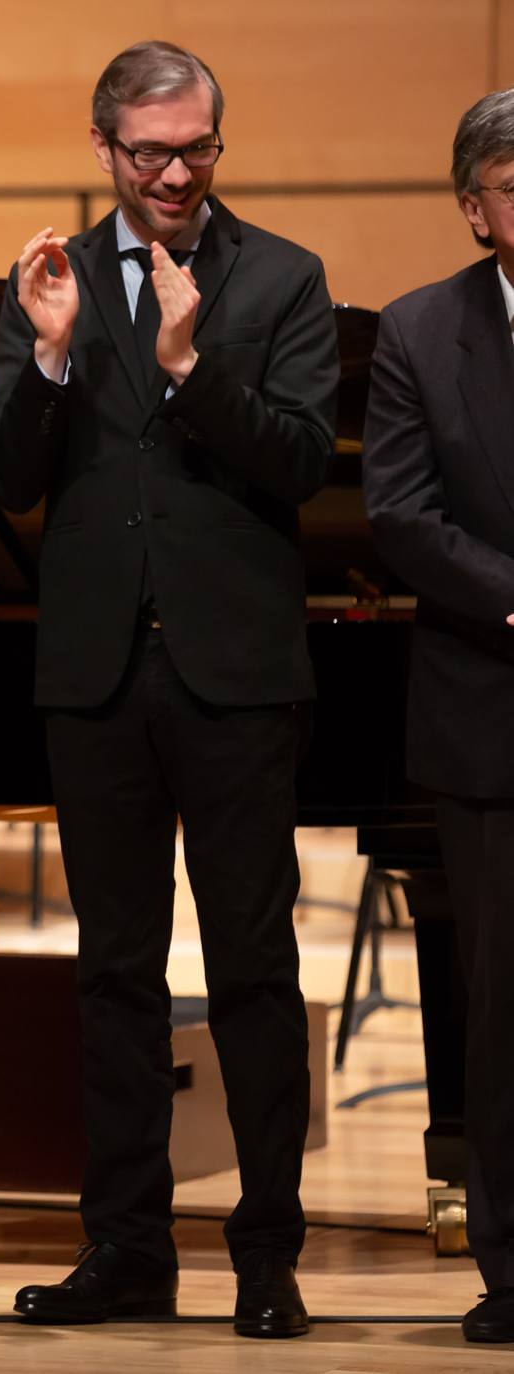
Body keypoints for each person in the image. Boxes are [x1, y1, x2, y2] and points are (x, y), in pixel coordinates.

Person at [0, 41, 337, 1338]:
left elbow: (301, 462)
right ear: (105, 150)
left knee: (251, 967)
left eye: (197, 148)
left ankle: (266, 1256)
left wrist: (193, 370)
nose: (177, 171)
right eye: (151, 152)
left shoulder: (283, 277)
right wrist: (60, 355)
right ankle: (125, 1247)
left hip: (235, 675)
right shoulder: (48, 280)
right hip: (96, 673)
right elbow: (8, 474)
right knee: (113, 974)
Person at [361, 86, 514, 1348]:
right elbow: (403, 515)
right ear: (476, 208)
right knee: (505, 999)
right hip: (493, 717)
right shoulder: (418, 330)